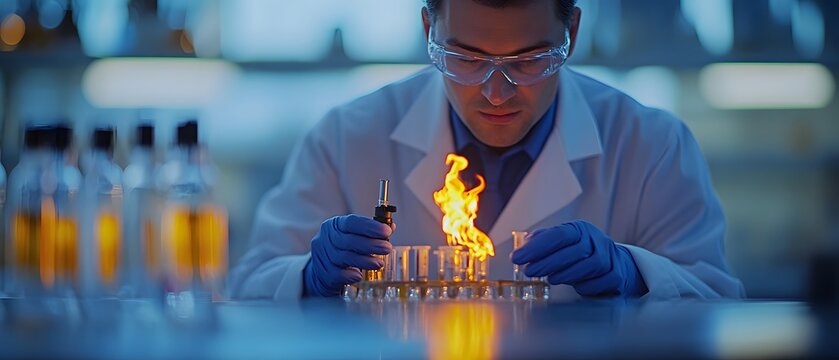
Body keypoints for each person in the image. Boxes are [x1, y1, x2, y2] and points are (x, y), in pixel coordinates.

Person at [229, 0, 745, 300]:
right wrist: (307, 278)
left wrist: (636, 275)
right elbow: (250, 284)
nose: (497, 92)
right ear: (430, 31)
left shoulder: (650, 144)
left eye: (529, 59)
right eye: (466, 57)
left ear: (572, 31)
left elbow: (720, 300)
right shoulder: (348, 137)